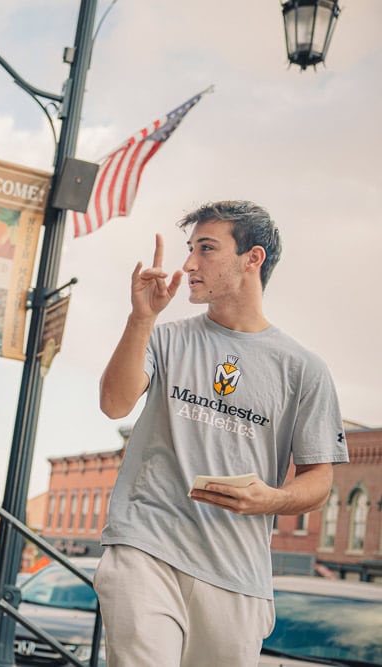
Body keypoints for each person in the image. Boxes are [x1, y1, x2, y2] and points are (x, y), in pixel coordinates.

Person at [94, 200, 348, 667]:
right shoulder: (165, 337)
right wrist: (141, 318)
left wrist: (268, 499)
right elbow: (114, 403)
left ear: (253, 258)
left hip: (238, 571)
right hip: (146, 546)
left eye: (206, 249)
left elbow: (319, 482)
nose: (188, 264)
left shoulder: (304, 369)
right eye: (189, 249)